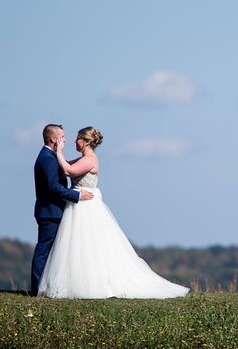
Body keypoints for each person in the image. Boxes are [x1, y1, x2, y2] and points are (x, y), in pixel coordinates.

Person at [37, 126, 190, 299]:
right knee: (76, 246)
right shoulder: (82, 159)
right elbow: (65, 165)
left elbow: (68, 170)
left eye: (78, 138)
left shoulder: (90, 159)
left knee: (89, 246)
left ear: (86, 142)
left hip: (86, 207)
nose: (74, 141)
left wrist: (58, 152)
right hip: (77, 206)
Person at [31, 124, 93, 296]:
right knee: (44, 251)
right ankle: (37, 289)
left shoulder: (51, 156)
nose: (65, 140)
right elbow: (53, 187)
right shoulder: (48, 158)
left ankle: (47, 287)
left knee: (54, 252)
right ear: (53, 139)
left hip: (54, 211)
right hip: (50, 212)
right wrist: (77, 196)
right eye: (62, 136)